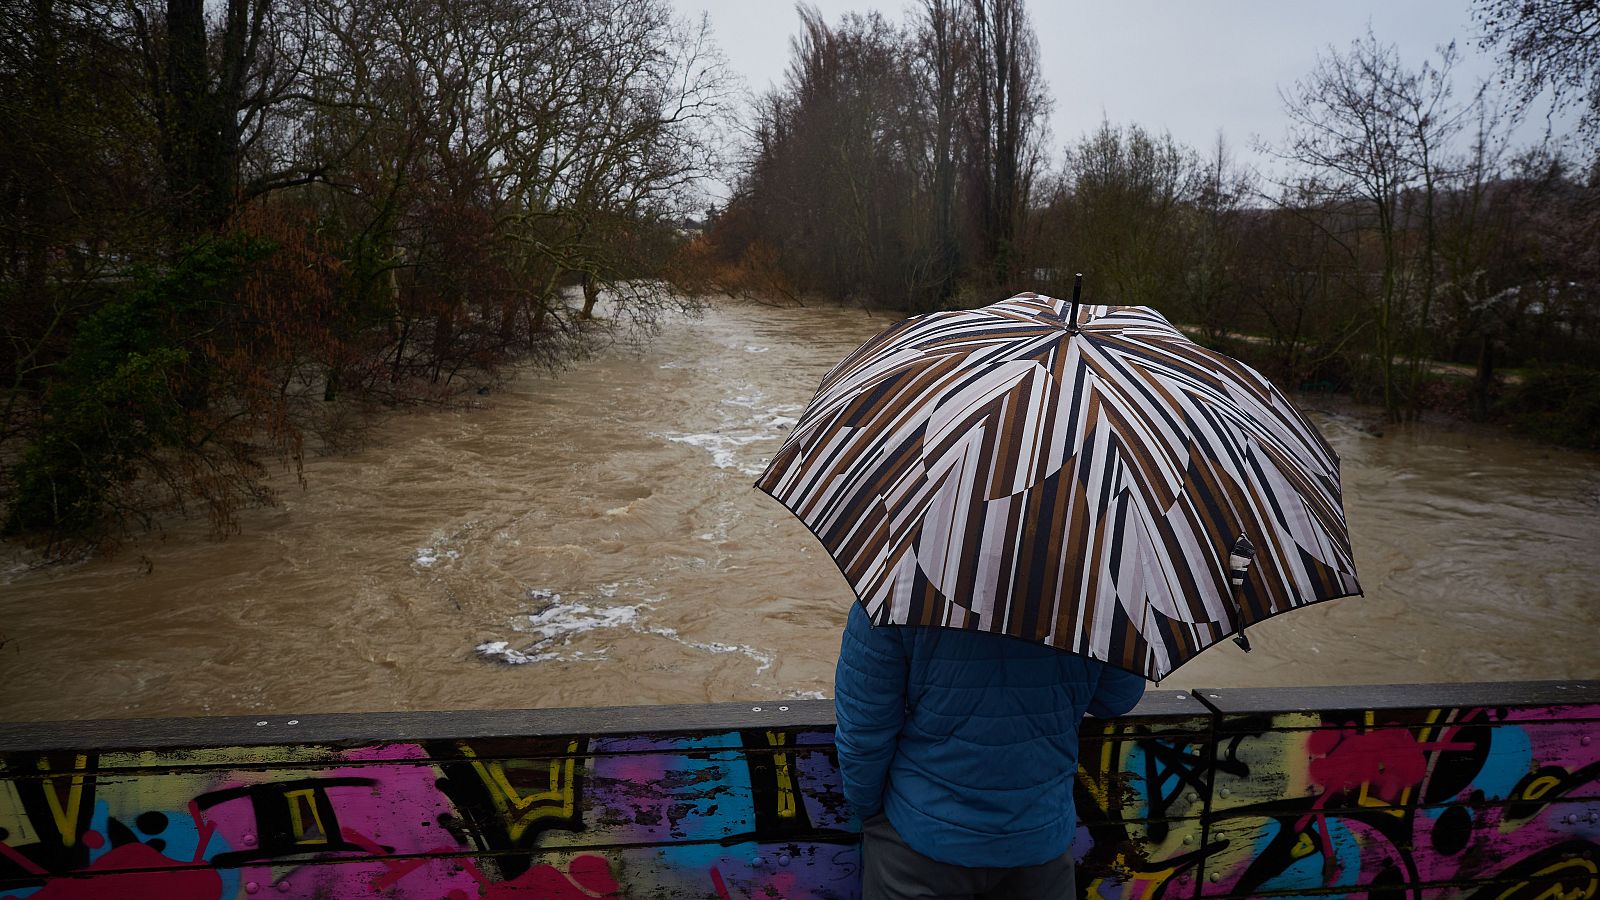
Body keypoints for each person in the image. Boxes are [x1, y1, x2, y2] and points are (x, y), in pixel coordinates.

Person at [834, 601, 1147, 899]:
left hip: (919, 839)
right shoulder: (1092, 595)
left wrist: (870, 813)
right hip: (1039, 837)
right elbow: (1115, 698)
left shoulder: (899, 589)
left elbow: (864, 732)